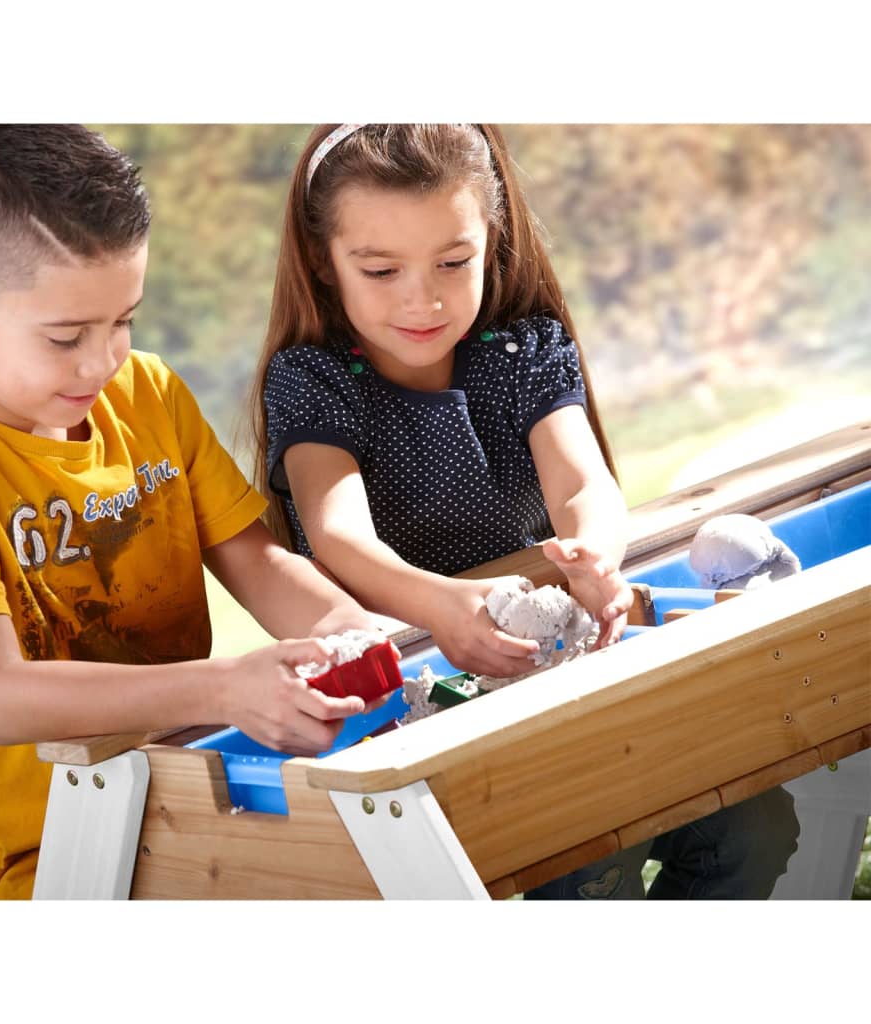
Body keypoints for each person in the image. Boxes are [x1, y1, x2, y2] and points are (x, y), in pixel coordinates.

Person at [249, 123, 799, 899]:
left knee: (755, 828)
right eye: (381, 269)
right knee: (581, 866)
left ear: (492, 240)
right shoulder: (314, 381)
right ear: (322, 262)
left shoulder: (523, 354)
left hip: (559, 679)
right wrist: (445, 608)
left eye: (453, 261)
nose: (424, 297)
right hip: (419, 719)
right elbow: (337, 534)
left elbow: (583, 486)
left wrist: (596, 555)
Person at [0, 124, 385, 901]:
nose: (102, 361)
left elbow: (258, 562)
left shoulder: (150, 391)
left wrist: (343, 630)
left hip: (185, 804)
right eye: (65, 337)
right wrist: (225, 688)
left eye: (122, 320)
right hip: (33, 865)